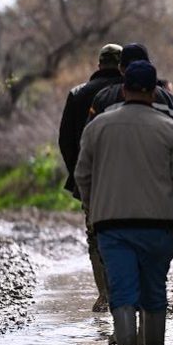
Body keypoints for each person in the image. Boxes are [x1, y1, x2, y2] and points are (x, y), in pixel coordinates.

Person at [75, 60, 173, 345]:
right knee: (154, 291)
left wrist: (93, 209)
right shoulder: (169, 128)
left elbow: (82, 175)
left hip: (111, 225)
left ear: (123, 88)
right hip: (158, 226)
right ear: (155, 92)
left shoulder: (98, 126)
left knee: (122, 293)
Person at [58, 43, 123, 312]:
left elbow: (65, 141)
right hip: (126, 178)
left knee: (96, 235)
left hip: (92, 181)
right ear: (121, 66)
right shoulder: (129, 92)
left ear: (99, 64)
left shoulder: (78, 95)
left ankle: (105, 293)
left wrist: (78, 175)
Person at [89, 43, 173, 164]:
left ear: (120, 68)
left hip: (113, 177)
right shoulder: (170, 102)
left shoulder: (104, 98)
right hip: (160, 177)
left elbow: (89, 145)